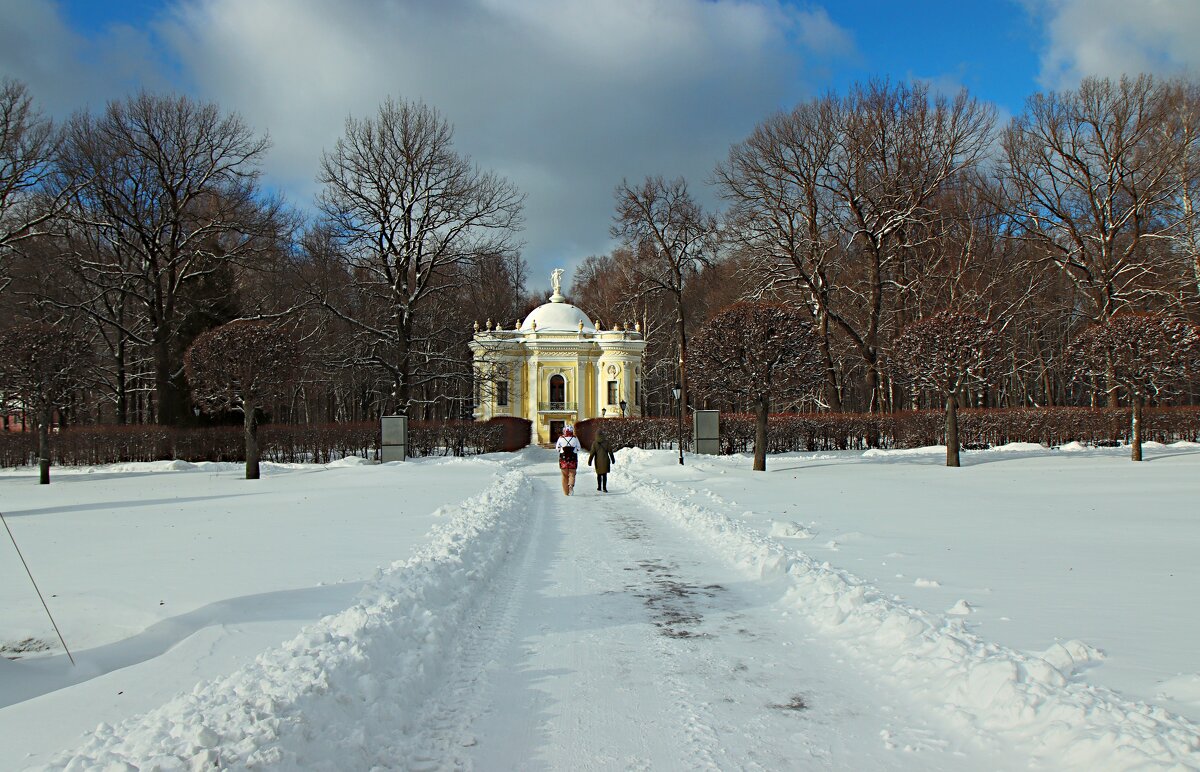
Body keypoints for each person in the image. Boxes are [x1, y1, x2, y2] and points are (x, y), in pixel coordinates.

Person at [556, 425, 582, 495]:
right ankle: (571, 485)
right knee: (572, 474)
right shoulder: (575, 438)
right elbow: (579, 448)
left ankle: (566, 492)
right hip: (573, 459)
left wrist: (562, 450)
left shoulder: (561, 438)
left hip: (563, 460)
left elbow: (557, 448)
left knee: (564, 476)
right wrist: (574, 450)